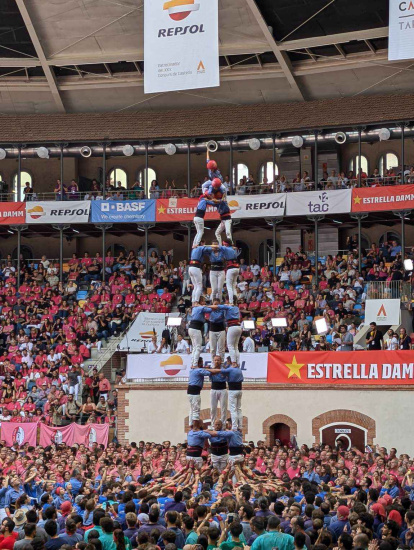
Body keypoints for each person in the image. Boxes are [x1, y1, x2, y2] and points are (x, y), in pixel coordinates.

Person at [187, 358, 221, 425]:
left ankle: (191, 424)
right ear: (199, 363)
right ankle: (195, 427)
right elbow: (212, 372)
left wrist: (204, 368)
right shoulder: (199, 370)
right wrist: (220, 370)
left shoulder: (192, 370)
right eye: (202, 362)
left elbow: (202, 368)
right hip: (195, 392)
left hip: (190, 392)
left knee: (192, 409)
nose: (203, 364)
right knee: (196, 410)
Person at [221, 362, 243, 431]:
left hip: (232, 390)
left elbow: (221, 371)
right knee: (238, 408)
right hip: (239, 390)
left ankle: (234, 426)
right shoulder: (239, 370)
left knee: (233, 409)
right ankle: (240, 426)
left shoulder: (230, 369)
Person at [209, 355, 228, 426]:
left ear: (221, 361)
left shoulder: (224, 369)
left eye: (218, 360)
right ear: (213, 361)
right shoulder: (211, 369)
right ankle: (213, 424)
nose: (216, 362)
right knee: (213, 409)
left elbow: (221, 378)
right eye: (215, 360)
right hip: (214, 389)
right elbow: (211, 378)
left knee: (223, 408)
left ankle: (223, 425)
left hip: (222, 389)